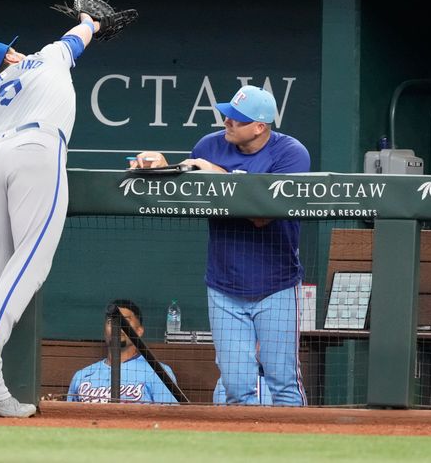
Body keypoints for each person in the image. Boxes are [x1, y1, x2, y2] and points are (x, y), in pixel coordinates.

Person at [0, 10, 102, 418]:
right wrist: (90, 21)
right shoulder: (43, 57)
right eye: (13, 49)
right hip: (38, 146)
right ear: (11, 57)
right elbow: (76, 38)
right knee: (31, 262)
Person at [131, 85, 310, 406]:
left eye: (236, 120)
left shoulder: (290, 153)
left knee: (282, 381)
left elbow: (263, 217)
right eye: (227, 115)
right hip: (224, 285)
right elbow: (188, 187)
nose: (227, 122)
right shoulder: (209, 146)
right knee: (236, 384)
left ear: (260, 127)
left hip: (278, 286)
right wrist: (161, 165)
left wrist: (218, 173)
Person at [67, 299, 178, 404]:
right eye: (111, 321)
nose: (117, 326)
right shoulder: (82, 375)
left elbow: (171, 418)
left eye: (124, 321)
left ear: (139, 331)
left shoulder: (158, 372)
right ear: (105, 331)